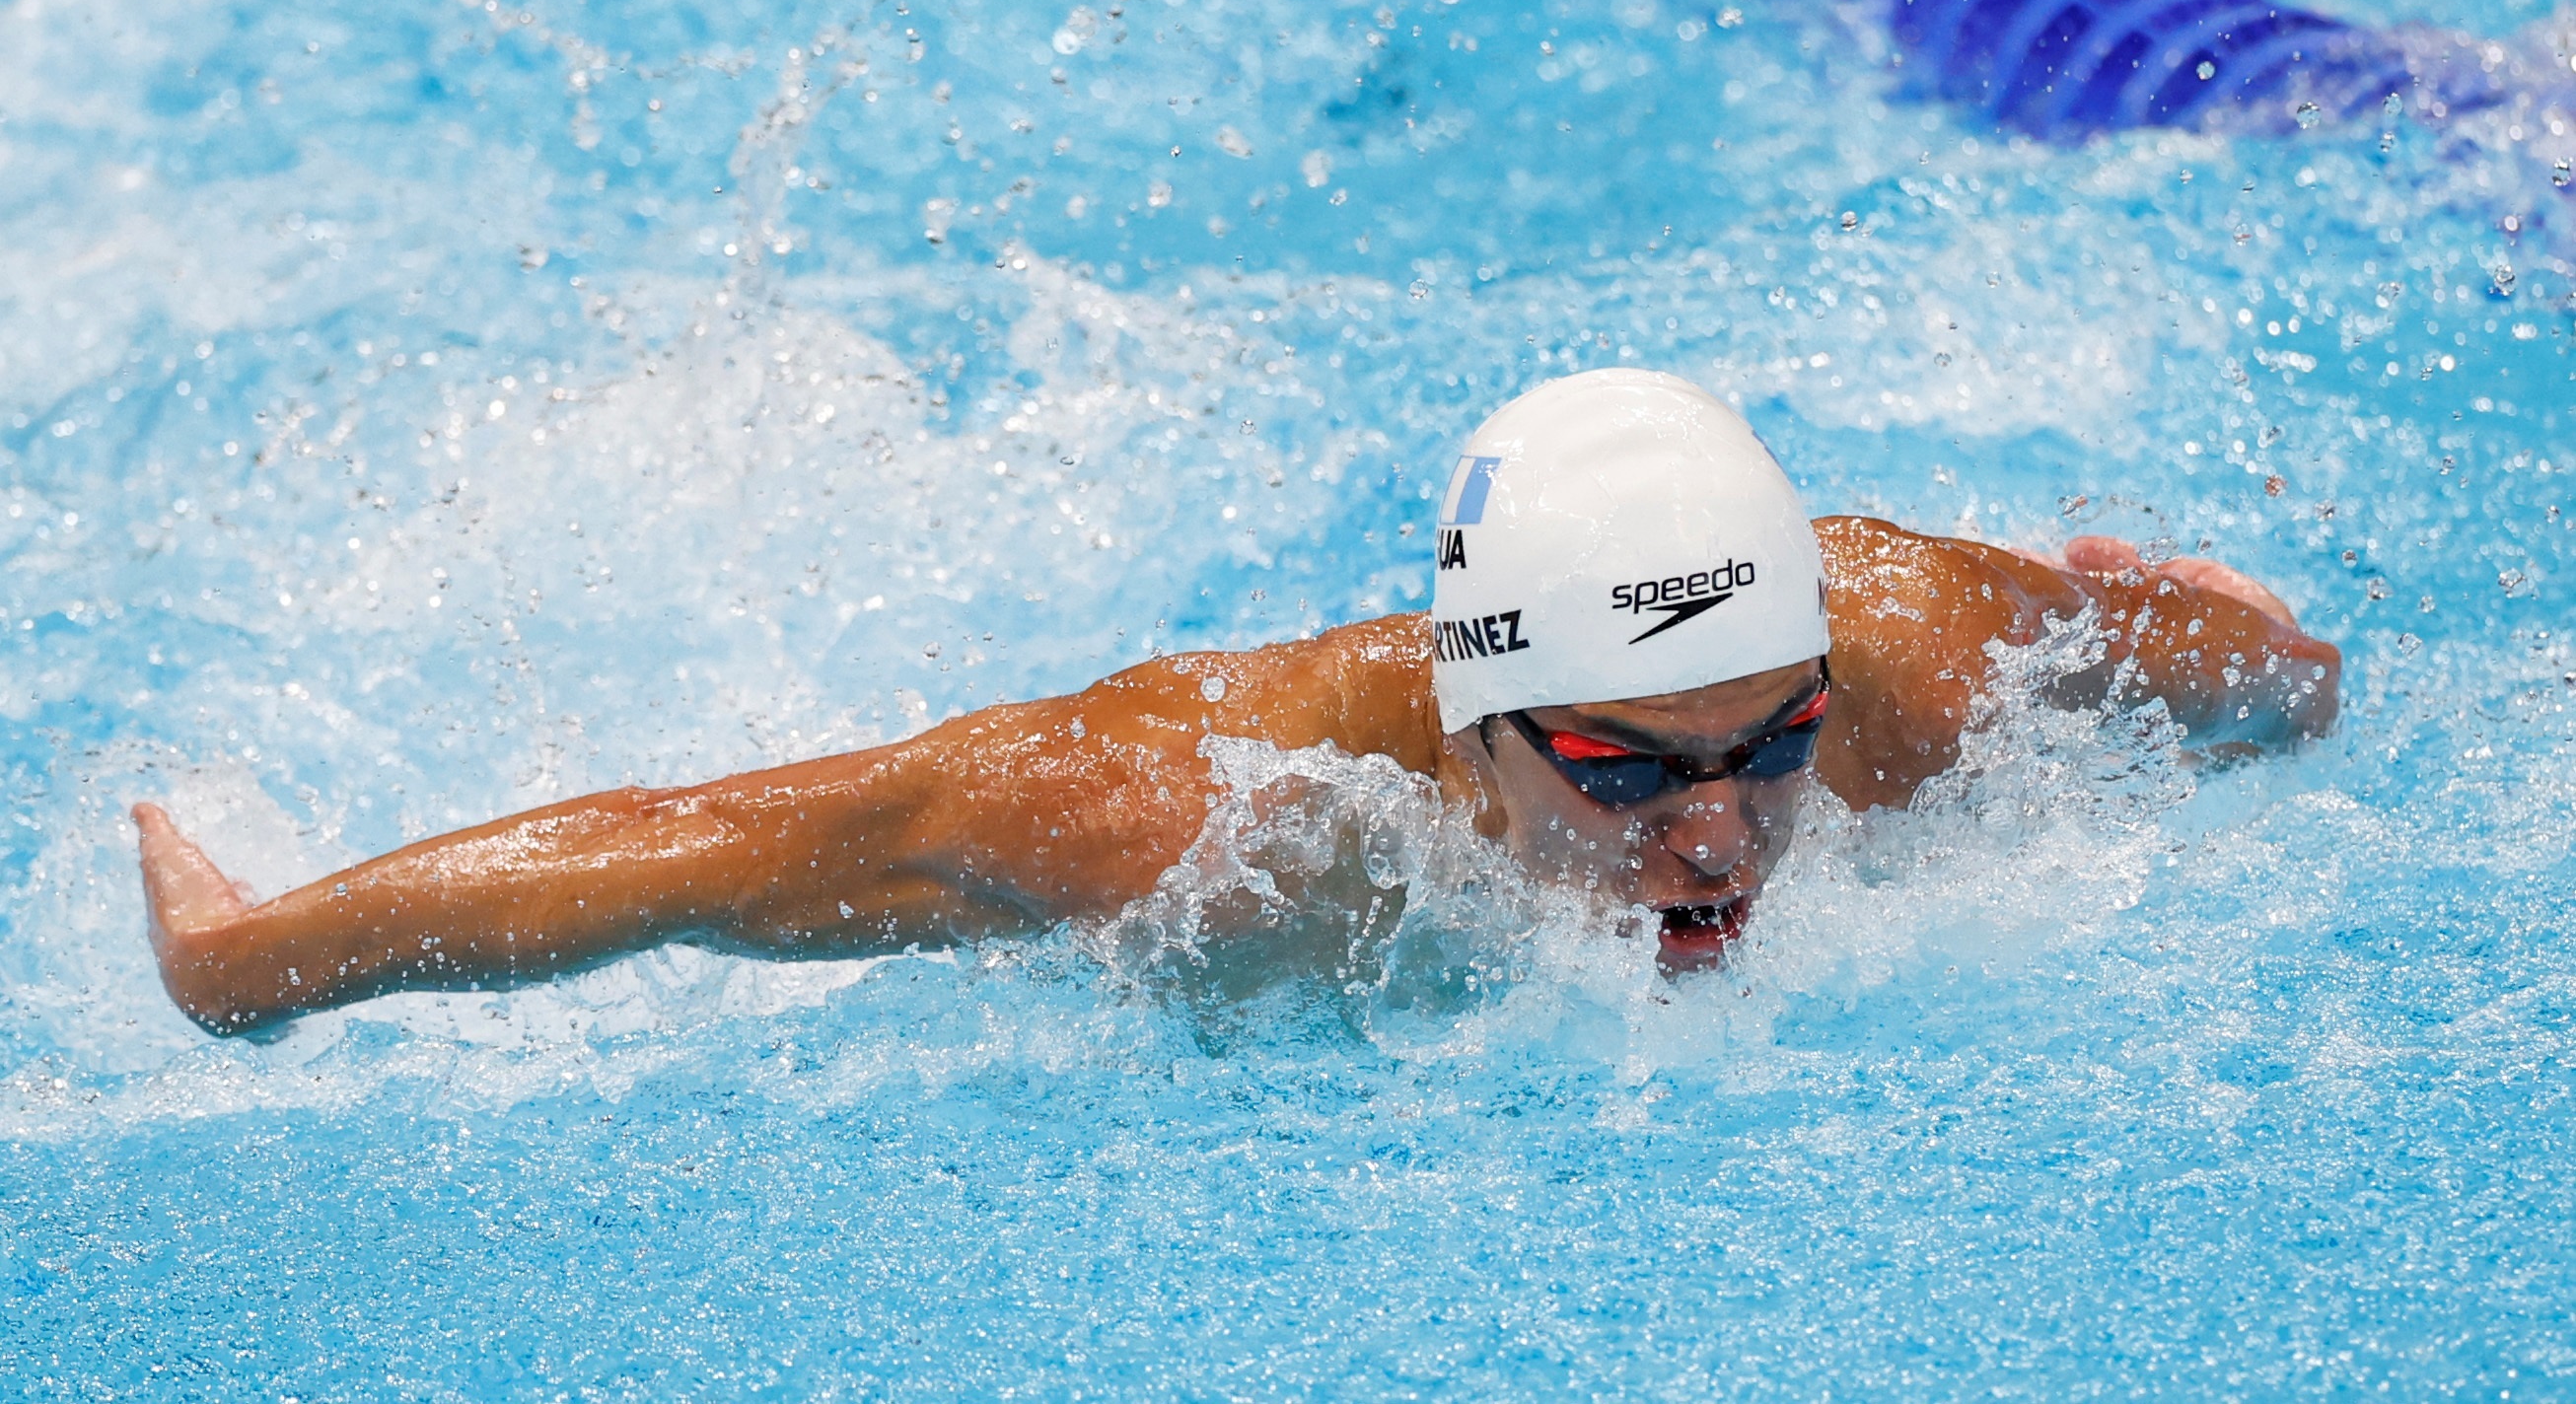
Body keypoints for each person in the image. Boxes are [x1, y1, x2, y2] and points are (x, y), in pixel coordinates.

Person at [135, 370, 2340, 1032]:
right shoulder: (1207, 814)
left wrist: (2251, 638)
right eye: (1625, 771)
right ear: (1477, 729)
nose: (1715, 837)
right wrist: (255, 959)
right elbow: (704, 845)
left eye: (1770, 746)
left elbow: (2240, 666)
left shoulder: (1903, 669)